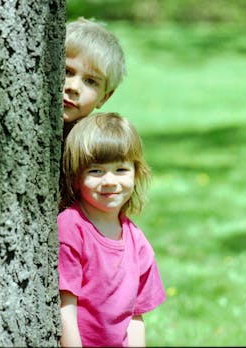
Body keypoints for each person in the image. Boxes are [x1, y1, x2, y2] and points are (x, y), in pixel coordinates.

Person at [58, 112, 166, 347]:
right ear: (76, 178)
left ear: (136, 174)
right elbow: (65, 308)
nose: (110, 181)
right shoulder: (71, 228)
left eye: (121, 170)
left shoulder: (137, 242)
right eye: (96, 171)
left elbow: (136, 316)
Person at [62, 17, 126, 138]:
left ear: (104, 98)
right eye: (67, 72)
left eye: (90, 81)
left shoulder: (95, 151)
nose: (74, 87)